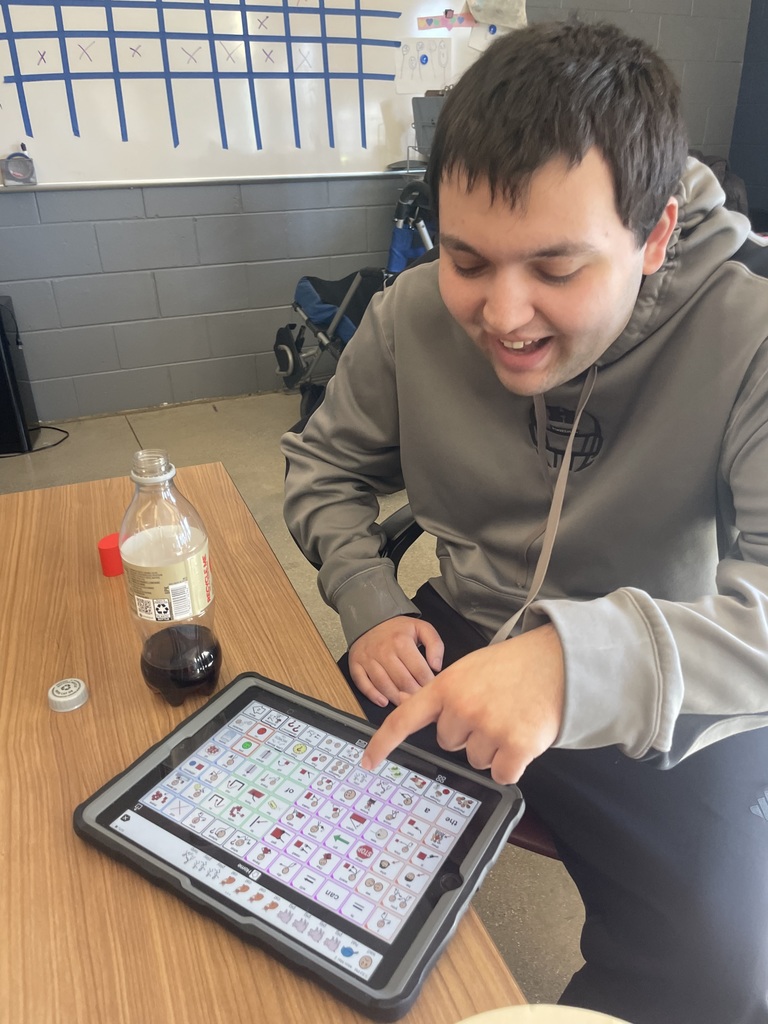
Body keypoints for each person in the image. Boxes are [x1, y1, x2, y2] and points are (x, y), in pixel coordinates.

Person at [281, 19, 768, 1024]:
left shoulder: (749, 334)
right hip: (453, 637)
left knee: (720, 978)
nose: (503, 316)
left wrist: (570, 664)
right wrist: (370, 602)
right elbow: (323, 467)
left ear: (656, 235)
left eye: (555, 269)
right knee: (285, 862)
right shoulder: (410, 313)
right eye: (467, 259)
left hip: (665, 680)